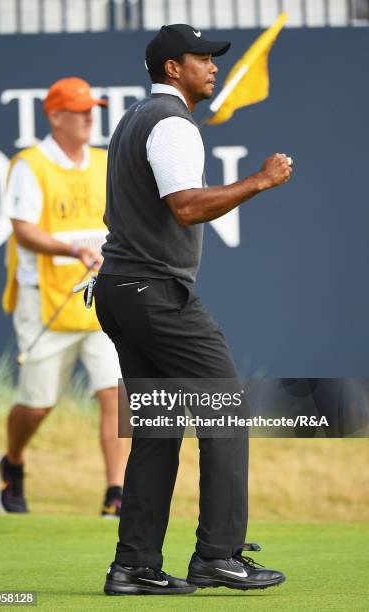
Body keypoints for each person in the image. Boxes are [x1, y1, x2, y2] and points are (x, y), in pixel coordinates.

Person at [95, 24, 293, 595]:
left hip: (123, 290)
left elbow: (130, 215)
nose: (212, 66)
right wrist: (259, 180)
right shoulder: (172, 123)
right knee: (225, 411)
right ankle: (218, 555)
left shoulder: (135, 119)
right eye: (201, 58)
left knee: (158, 432)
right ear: (171, 68)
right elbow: (183, 207)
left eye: (213, 58)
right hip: (155, 294)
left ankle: (133, 566)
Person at [0, 77, 127, 518]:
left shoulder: (104, 161)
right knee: (37, 406)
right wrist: (74, 249)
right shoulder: (30, 165)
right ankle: (12, 463)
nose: (91, 117)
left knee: (115, 393)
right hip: (45, 300)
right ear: (54, 116)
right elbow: (24, 231)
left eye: (93, 109)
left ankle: (116, 494)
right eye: (80, 110)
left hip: (99, 297)